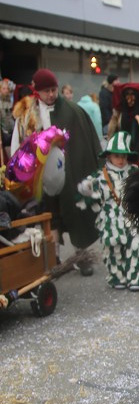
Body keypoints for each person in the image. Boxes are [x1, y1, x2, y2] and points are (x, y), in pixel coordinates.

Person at [11, 68, 100, 270]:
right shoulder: (27, 115)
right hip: (41, 177)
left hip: (68, 173)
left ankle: (82, 257)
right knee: (49, 216)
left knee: (76, 211)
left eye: (54, 90)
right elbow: (18, 145)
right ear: (36, 91)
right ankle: (54, 257)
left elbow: (84, 141)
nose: (51, 95)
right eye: (46, 91)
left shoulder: (71, 111)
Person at [76, 131, 139, 290]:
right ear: (109, 156)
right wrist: (87, 189)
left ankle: (137, 278)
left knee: (136, 246)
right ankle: (117, 276)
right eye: (117, 156)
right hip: (110, 218)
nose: (121, 160)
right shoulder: (101, 176)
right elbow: (89, 190)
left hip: (132, 217)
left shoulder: (134, 172)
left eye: (123, 156)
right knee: (113, 248)